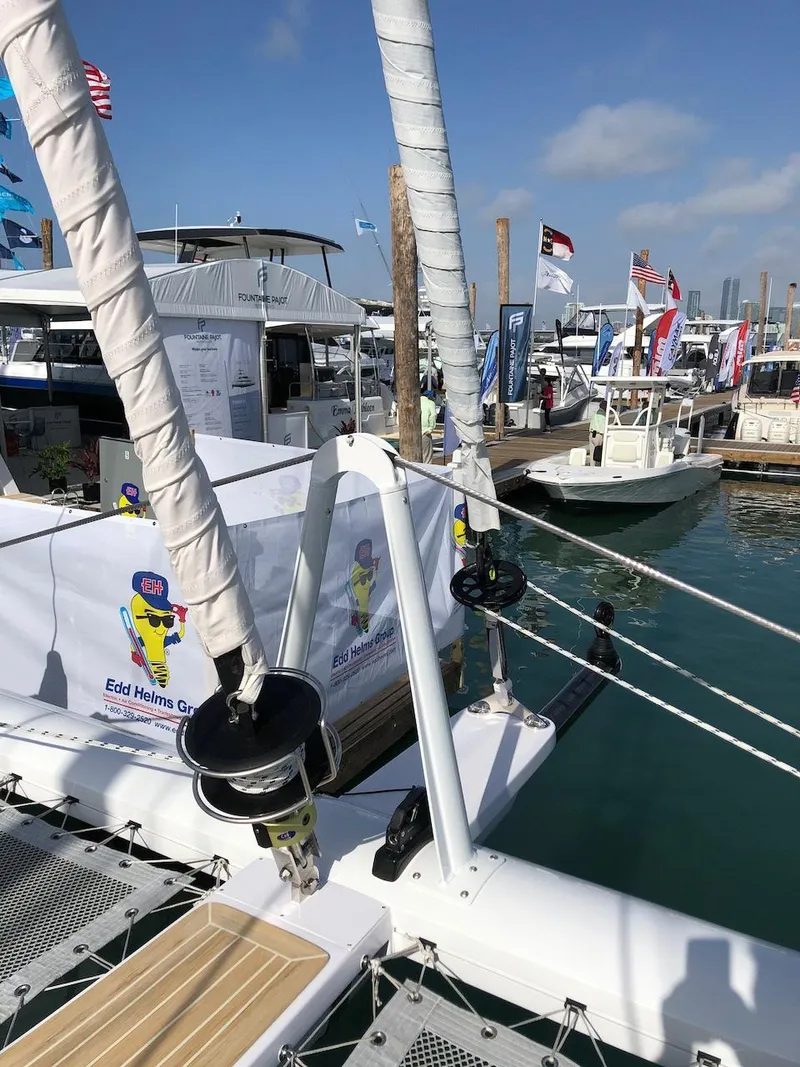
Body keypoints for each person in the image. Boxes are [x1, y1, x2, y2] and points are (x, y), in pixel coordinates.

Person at [420, 384, 437, 462]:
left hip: (411, 433)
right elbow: (433, 415)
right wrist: (431, 428)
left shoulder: (415, 400)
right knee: (426, 457)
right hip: (425, 432)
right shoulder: (431, 403)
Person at [589, 400, 607, 465]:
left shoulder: (595, 414)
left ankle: (592, 466)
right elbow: (603, 428)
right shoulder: (603, 416)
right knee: (599, 452)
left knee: (592, 453)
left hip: (592, 433)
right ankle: (599, 466)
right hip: (598, 435)